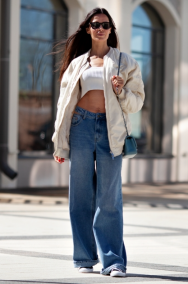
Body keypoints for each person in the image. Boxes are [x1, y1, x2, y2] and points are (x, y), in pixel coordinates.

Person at [52, 7, 145, 278]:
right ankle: (83, 257)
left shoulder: (125, 62)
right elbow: (64, 105)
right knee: (79, 196)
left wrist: (121, 89)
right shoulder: (77, 63)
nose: (100, 28)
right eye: (95, 24)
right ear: (88, 28)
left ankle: (114, 262)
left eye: (105, 25)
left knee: (109, 199)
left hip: (111, 130)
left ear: (111, 30)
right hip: (80, 127)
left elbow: (137, 101)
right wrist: (60, 142)